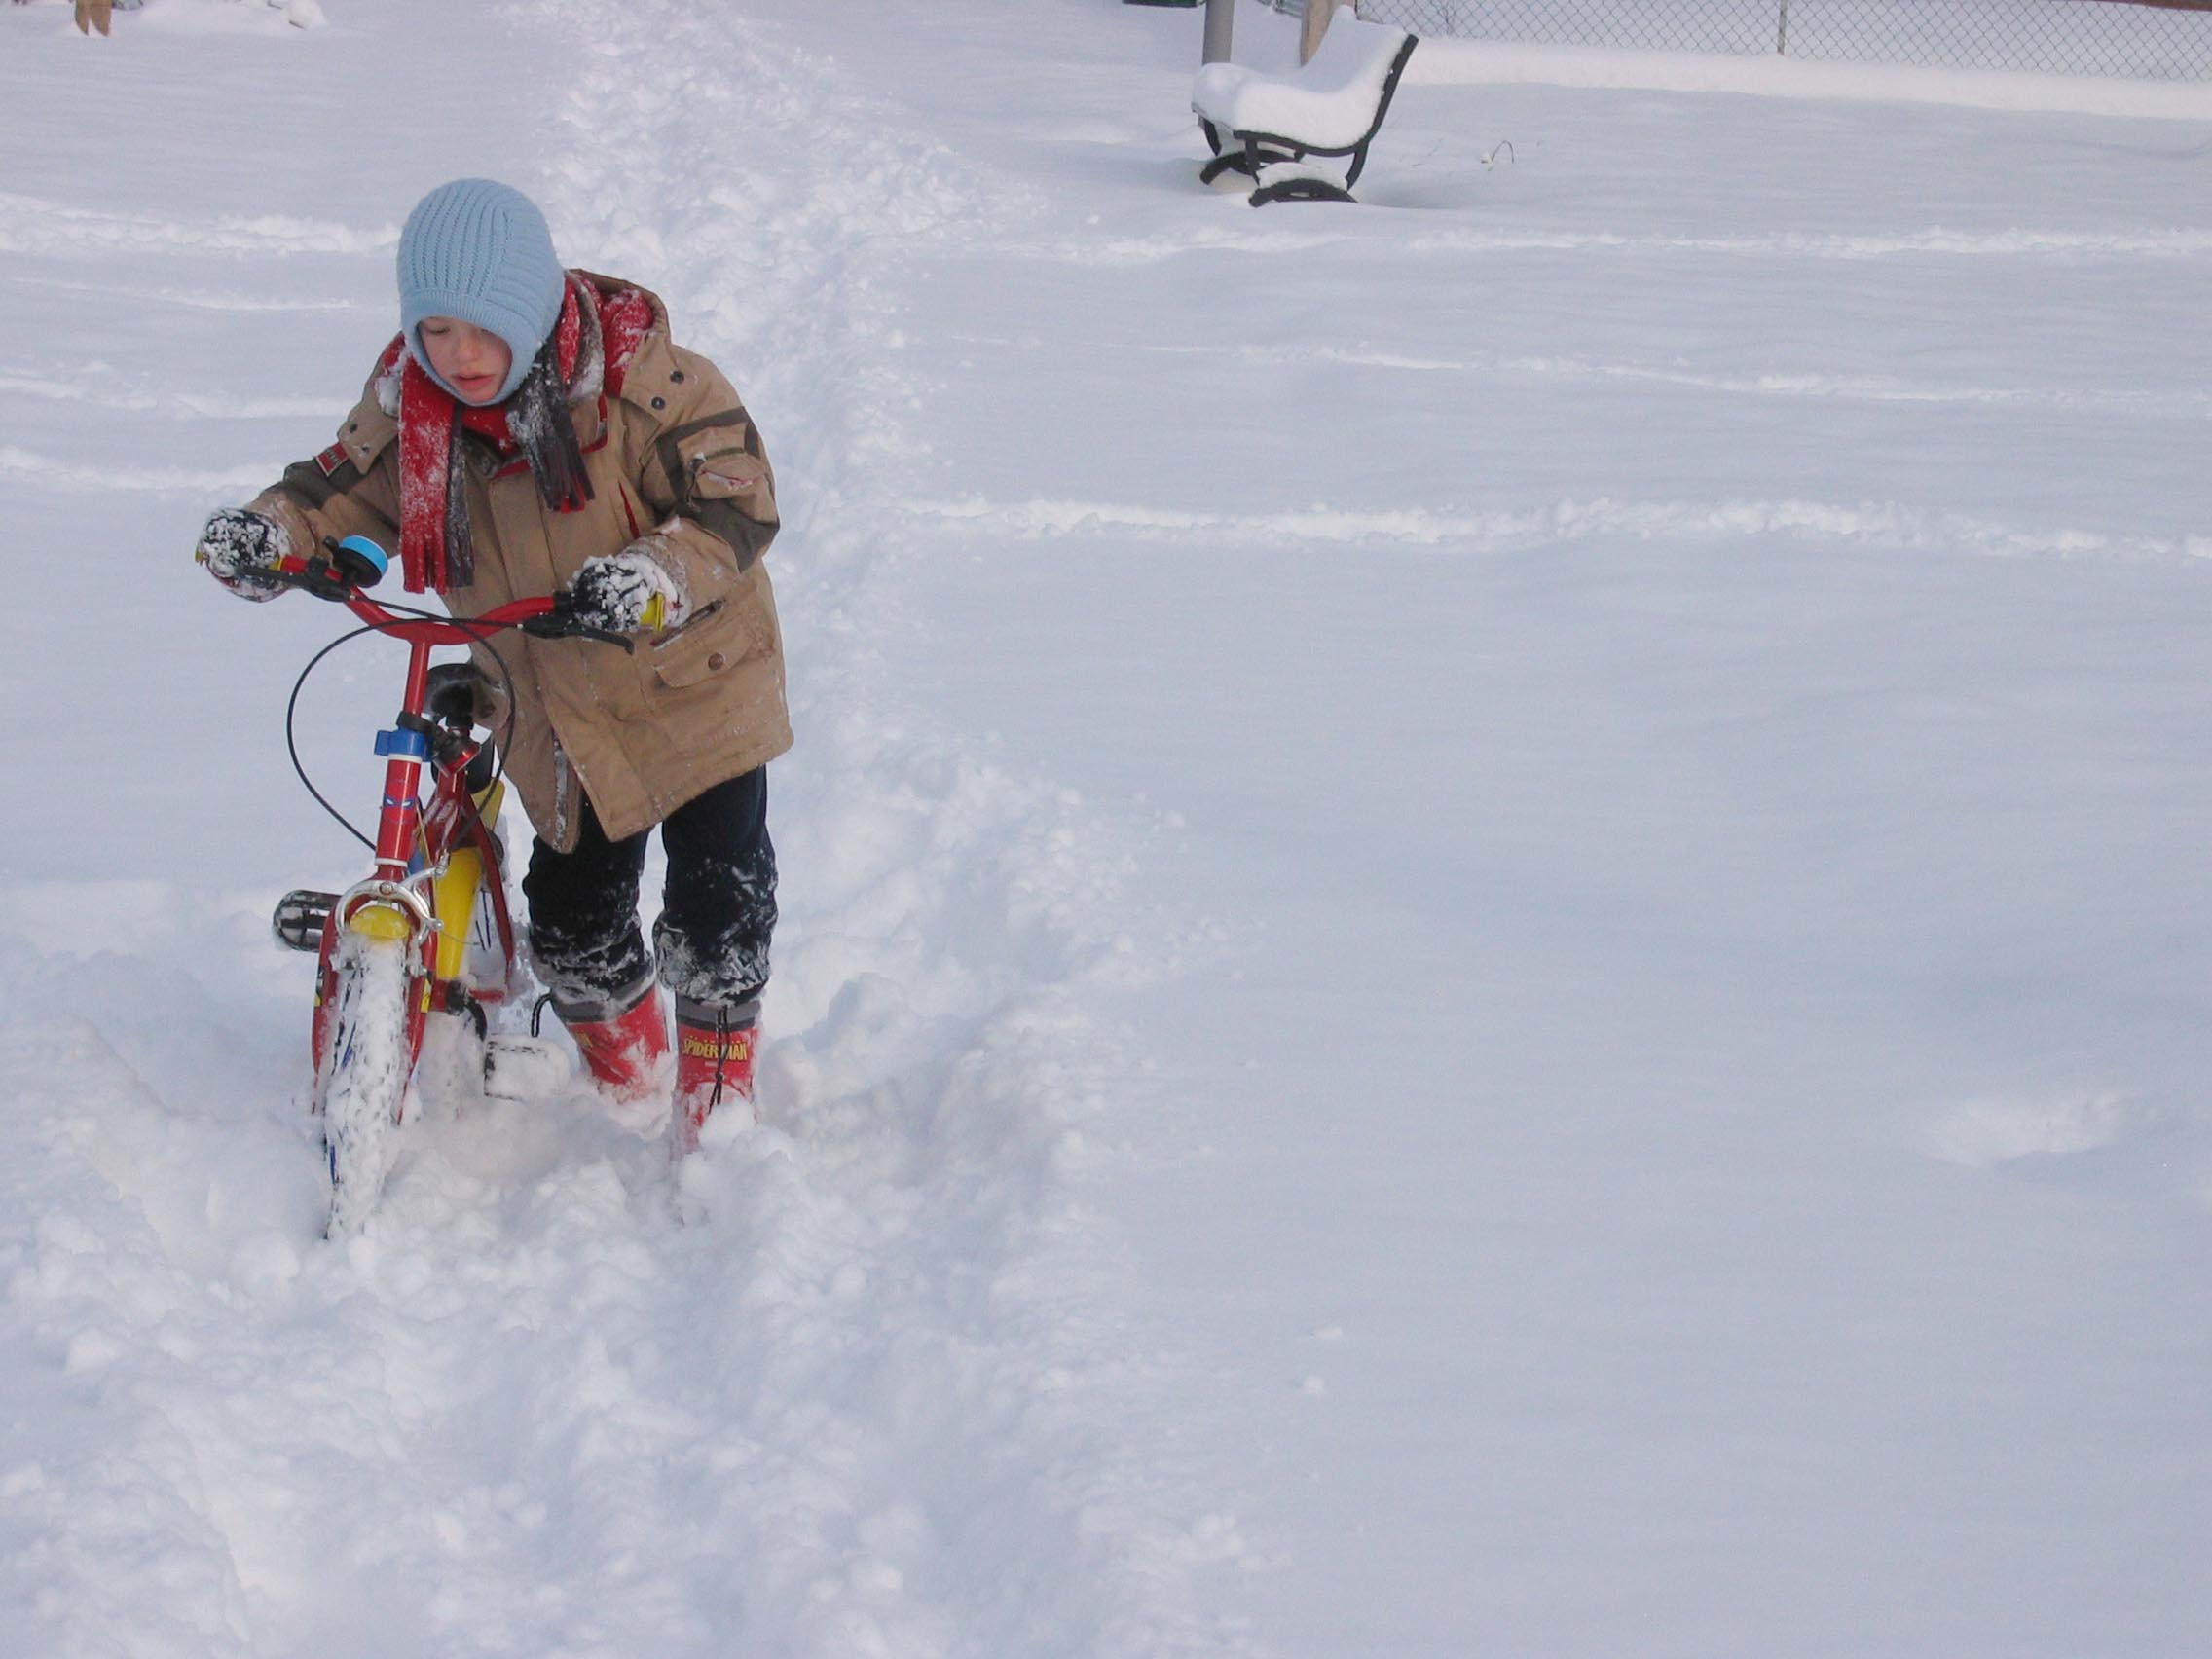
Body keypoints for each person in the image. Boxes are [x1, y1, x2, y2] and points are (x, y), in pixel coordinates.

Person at [195, 177, 791, 1149]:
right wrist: (270, 535)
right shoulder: (410, 410)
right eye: (433, 330)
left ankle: (715, 1103)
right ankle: (629, 1079)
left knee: (716, 905)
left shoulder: (649, 384)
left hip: (692, 685)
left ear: (528, 309)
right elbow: (335, 494)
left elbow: (736, 505)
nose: (456, 356)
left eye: (480, 330)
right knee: (570, 927)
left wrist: (650, 575)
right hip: (550, 704)